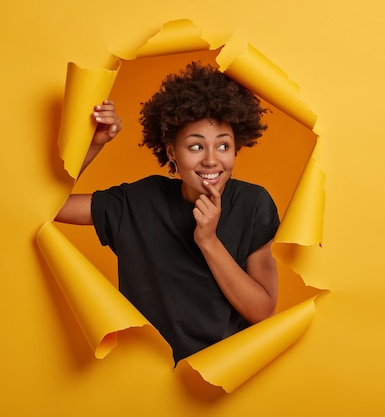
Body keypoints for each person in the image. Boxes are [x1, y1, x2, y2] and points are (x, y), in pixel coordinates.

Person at [55, 62, 280, 364]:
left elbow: (263, 311)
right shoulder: (137, 202)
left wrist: (208, 240)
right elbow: (48, 206)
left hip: (221, 376)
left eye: (223, 146)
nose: (212, 160)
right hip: (144, 377)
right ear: (172, 152)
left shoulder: (254, 203)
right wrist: (93, 145)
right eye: (196, 147)